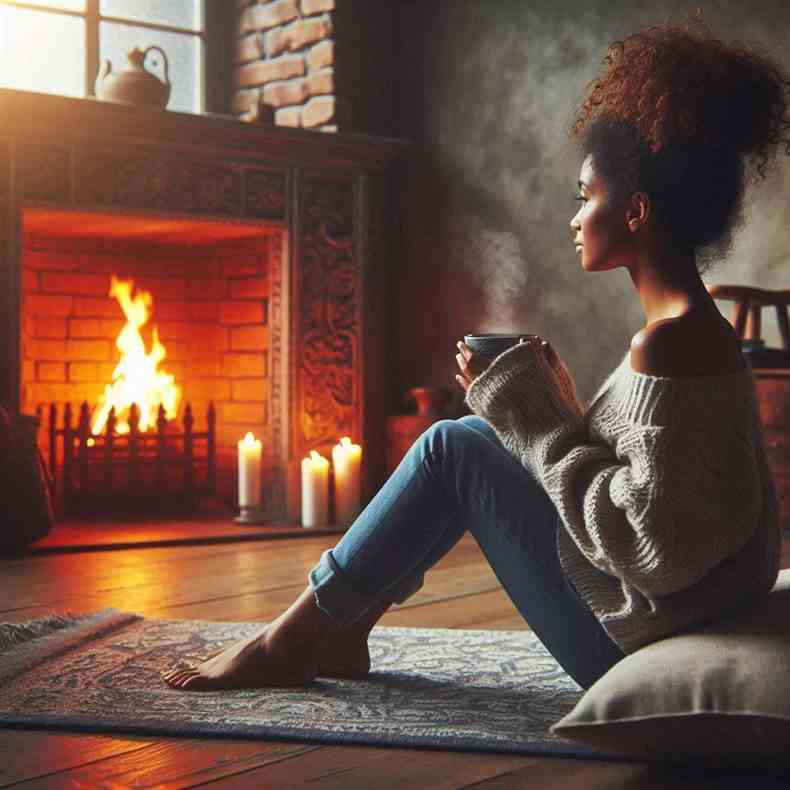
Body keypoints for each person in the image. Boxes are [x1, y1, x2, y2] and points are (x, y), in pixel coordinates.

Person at [163, 18, 788, 692]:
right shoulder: (693, 329)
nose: (575, 219)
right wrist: (560, 411)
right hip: (665, 614)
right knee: (466, 433)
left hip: (631, 637)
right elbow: (670, 500)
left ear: (635, 212)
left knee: (449, 449)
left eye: (587, 197)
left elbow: (652, 547)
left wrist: (536, 420)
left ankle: (293, 640)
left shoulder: (672, 339)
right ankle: (339, 625)